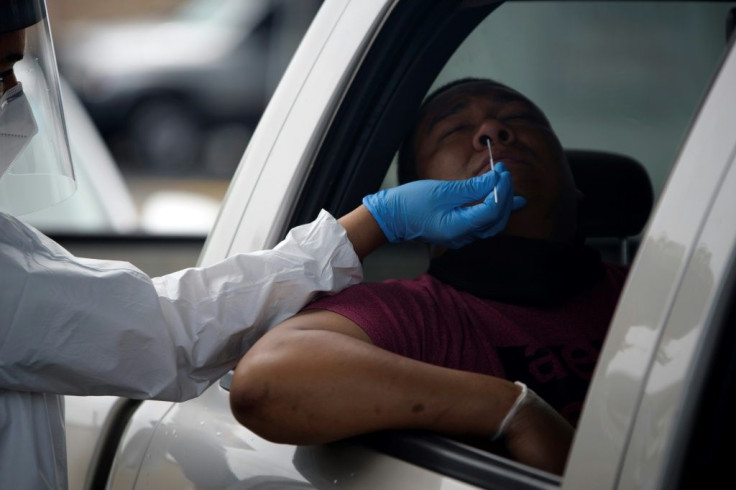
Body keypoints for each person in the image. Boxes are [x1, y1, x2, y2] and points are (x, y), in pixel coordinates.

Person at [0, 4, 521, 489]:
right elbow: (171, 329)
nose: (14, 99)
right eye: (0, 74)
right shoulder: (401, 318)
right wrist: (380, 219)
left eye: (13, 73)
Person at [229, 78, 629, 475]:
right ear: (422, 205)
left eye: (520, 119)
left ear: (578, 188)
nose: (492, 131)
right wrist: (512, 409)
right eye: (455, 130)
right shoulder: (413, 316)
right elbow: (266, 381)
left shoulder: (655, 297)